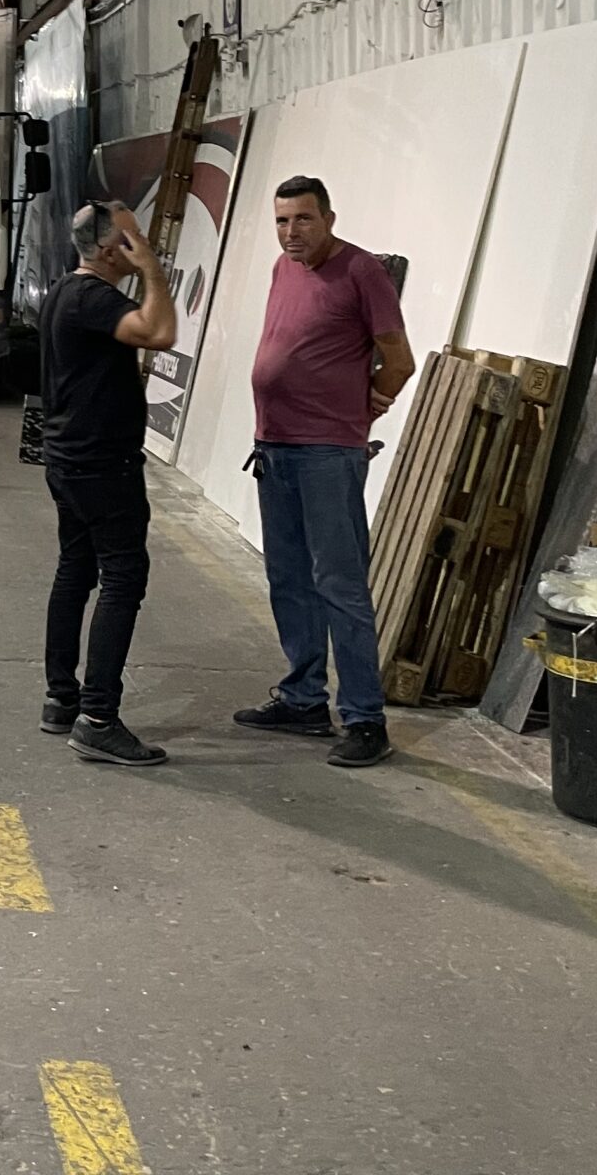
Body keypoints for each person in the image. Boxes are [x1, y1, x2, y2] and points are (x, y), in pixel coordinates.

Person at [233, 175, 416, 769]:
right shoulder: (283, 268)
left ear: (329, 219)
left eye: (304, 219)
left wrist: (367, 407)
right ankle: (303, 699)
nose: (292, 232)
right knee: (289, 579)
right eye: (282, 221)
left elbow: (400, 360)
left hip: (326, 453)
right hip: (276, 446)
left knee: (340, 584)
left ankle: (365, 719)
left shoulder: (362, 272)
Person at [38, 201, 178, 766]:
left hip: (68, 457)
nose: (141, 243)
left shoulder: (62, 291)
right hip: (101, 463)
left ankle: (61, 698)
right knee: (123, 578)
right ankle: (98, 718)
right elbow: (160, 332)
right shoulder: (94, 297)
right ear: (106, 249)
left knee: (76, 569)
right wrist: (153, 271)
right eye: (131, 237)